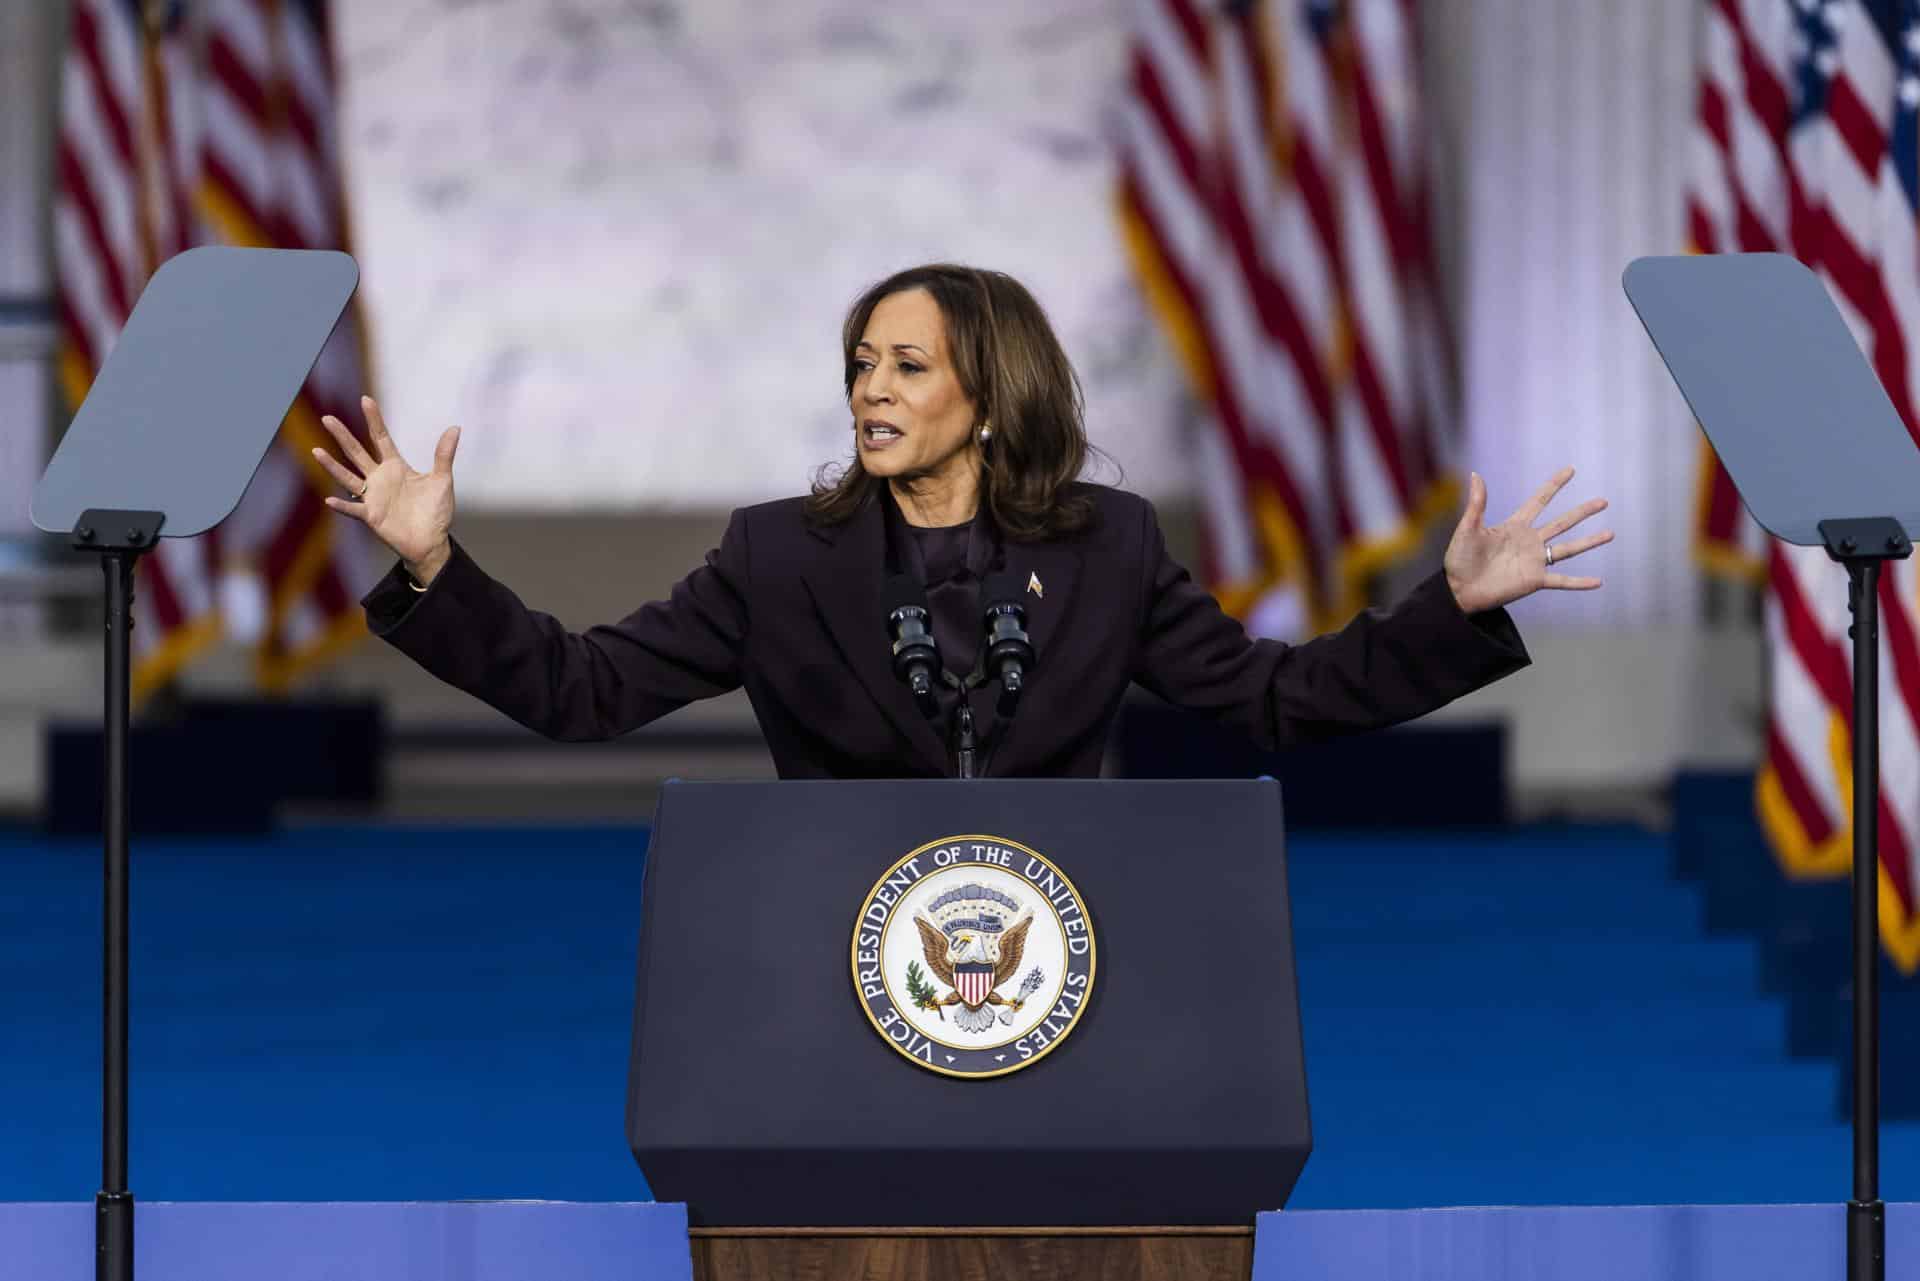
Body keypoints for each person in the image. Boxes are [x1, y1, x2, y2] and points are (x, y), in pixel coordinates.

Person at [315, 264, 1610, 779]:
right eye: (861, 363)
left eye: (909, 365)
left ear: (991, 396)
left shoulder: (1110, 547)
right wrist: (434, 561)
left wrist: (1458, 612)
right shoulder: (776, 557)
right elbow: (585, 690)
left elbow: (1278, 699)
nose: (872, 388)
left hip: (1069, 965)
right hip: (832, 965)